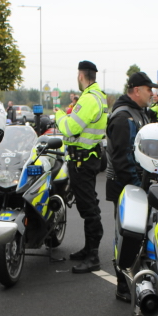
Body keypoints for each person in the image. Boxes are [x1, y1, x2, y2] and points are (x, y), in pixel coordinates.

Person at [105, 71, 156, 300]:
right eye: (148, 89)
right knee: (127, 236)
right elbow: (122, 160)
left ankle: (137, 279)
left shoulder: (138, 113)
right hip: (128, 189)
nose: (152, 94)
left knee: (141, 236)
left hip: (138, 187)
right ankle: (123, 286)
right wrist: (139, 189)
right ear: (136, 90)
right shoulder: (123, 117)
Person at [55, 60, 108, 273]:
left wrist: (59, 115)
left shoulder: (89, 99)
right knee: (87, 205)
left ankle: (93, 256)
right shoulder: (98, 96)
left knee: (88, 207)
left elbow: (70, 127)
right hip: (86, 158)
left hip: (83, 161)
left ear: (81, 75)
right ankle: (88, 249)